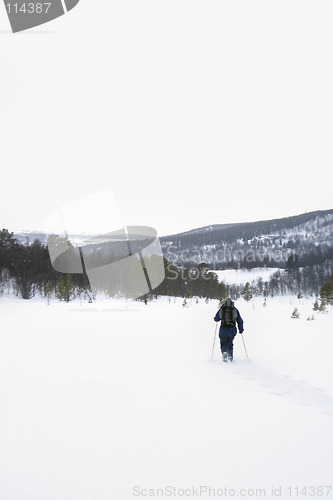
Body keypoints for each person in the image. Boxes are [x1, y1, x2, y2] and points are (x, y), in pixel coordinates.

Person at [214, 297, 244, 362]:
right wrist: (241, 329)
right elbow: (240, 321)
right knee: (230, 344)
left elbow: (216, 318)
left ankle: (224, 353)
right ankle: (230, 357)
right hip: (232, 330)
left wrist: (216, 318)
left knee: (223, 343)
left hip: (223, 330)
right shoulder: (235, 310)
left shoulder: (222, 309)